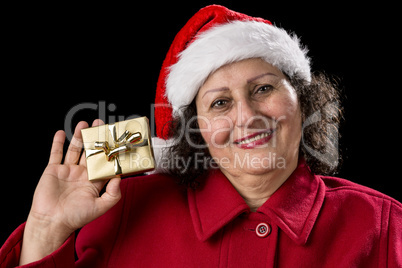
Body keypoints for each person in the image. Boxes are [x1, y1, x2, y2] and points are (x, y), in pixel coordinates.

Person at [1, 5, 401, 267]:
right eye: (220, 104)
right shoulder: (122, 210)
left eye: (264, 89)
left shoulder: (384, 224)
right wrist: (45, 228)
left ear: (304, 100)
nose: (247, 116)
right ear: (196, 129)